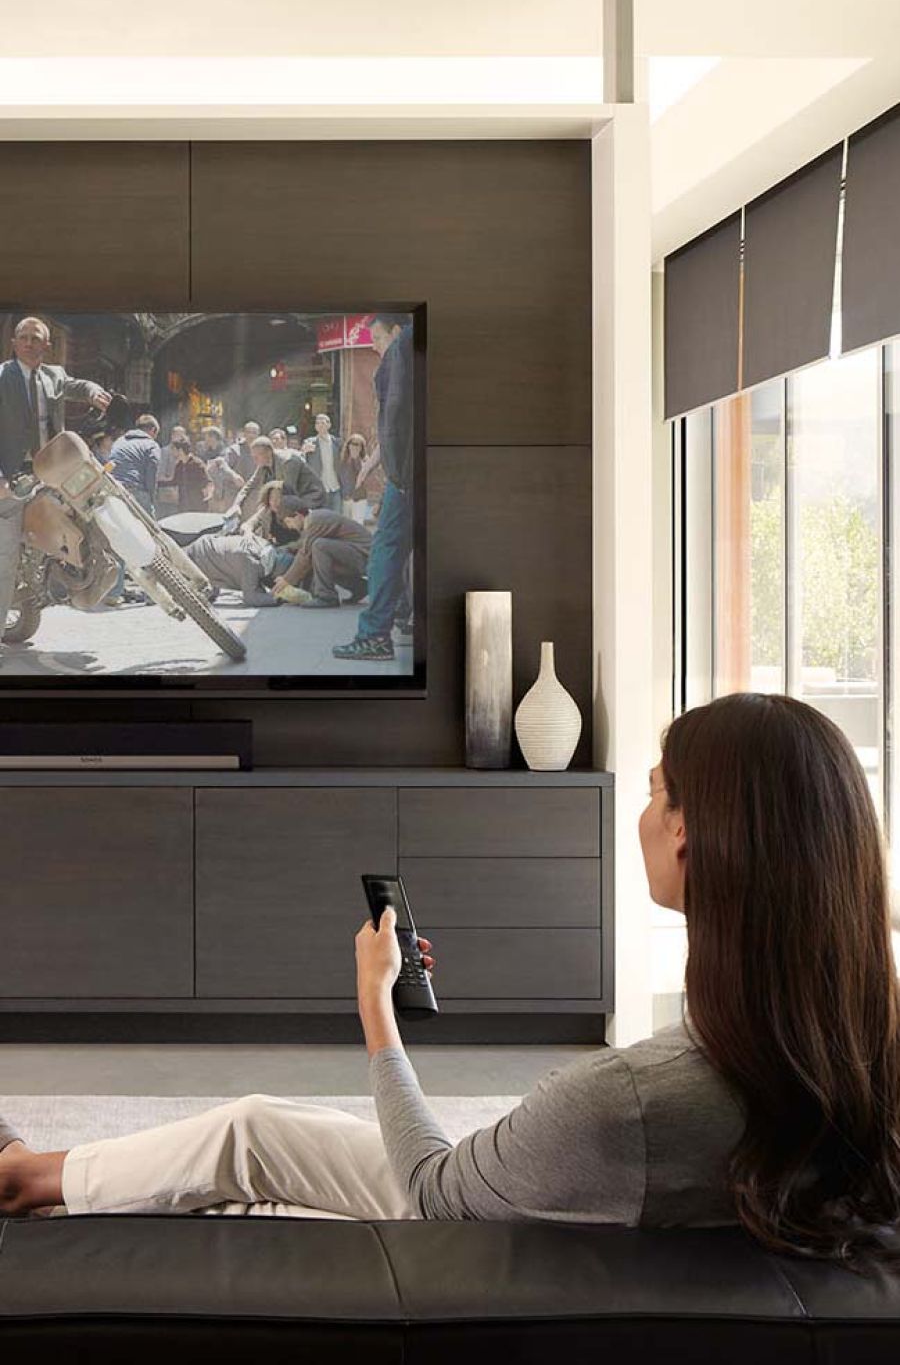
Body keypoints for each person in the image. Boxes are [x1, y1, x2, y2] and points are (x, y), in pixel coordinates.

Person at [5, 693, 900, 1272]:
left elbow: (433, 1188)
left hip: (478, 1225)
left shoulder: (621, 1101)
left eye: (657, 791)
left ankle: (21, 1182)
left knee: (252, 1158)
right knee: (266, 1132)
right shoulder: (856, 1056)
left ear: (689, 837)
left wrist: (376, 1012)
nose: (643, 809)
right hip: (570, 1199)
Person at [0, 316, 112, 660]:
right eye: (25, 337)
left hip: (52, 472)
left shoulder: (54, 375)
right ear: (15, 343)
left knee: (98, 507)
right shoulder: (2, 376)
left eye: (38, 338)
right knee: (5, 558)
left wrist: (93, 391)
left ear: (48, 345)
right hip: (12, 479)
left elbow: (76, 385)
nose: (31, 343)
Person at [334, 315, 413, 662]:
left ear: (395, 330)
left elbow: (394, 416)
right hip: (408, 472)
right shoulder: (408, 348)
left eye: (378, 337)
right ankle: (402, 616)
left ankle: (374, 635)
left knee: (386, 547)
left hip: (407, 477)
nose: (374, 346)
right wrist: (372, 463)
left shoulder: (401, 346)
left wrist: (397, 474)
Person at [271, 495, 370, 607]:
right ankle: (360, 587)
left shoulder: (316, 520)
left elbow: (305, 555)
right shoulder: (314, 520)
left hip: (366, 557)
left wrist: (286, 580)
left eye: (289, 522)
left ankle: (326, 596)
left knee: (319, 546)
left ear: (298, 515)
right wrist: (285, 548)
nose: (290, 527)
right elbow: (303, 546)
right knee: (321, 555)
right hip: (359, 556)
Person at [223, 436, 325, 529]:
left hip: (311, 497)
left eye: (256, 457)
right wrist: (236, 505)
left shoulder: (288, 462)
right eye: (253, 456)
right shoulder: (263, 464)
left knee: (285, 516)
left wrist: (253, 521)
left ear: (268, 452)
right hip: (293, 497)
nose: (254, 460)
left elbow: (286, 494)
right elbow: (249, 486)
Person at [184, 530, 280, 608]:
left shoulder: (263, 545)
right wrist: (278, 598)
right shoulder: (253, 563)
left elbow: (254, 586)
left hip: (204, 548)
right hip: (199, 559)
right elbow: (251, 598)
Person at [107, 414, 161, 514]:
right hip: (134, 490)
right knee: (149, 527)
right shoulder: (151, 445)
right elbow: (151, 475)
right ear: (153, 430)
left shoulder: (119, 441)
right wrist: (152, 499)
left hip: (113, 489)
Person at [302, 413, 342, 513]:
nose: (320, 425)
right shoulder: (310, 442)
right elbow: (302, 460)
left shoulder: (337, 443)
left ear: (329, 425)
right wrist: (303, 451)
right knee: (321, 518)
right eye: (317, 423)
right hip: (319, 488)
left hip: (335, 486)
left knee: (336, 517)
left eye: (323, 423)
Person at [158, 439, 211, 513]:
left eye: (174, 450)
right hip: (183, 505)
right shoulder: (179, 465)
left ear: (180, 450)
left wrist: (207, 492)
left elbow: (207, 481)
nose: (172, 453)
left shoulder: (197, 464)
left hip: (197, 505)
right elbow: (174, 481)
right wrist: (158, 483)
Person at [155, 425, 190, 512]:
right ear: (172, 436)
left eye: (183, 435)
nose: (182, 438)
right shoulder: (165, 451)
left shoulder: (185, 451)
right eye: (179, 435)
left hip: (181, 496)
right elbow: (160, 474)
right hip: (168, 495)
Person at [339, 432, 370, 525]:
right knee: (346, 525)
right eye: (352, 443)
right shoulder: (342, 459)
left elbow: (362, 476)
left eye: (358, 444)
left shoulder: (365, 460)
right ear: (348, 445)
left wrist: (355, 458)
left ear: (362, 447)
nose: (354, 446)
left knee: (357, 524)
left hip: (359, 498)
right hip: (345, 497)